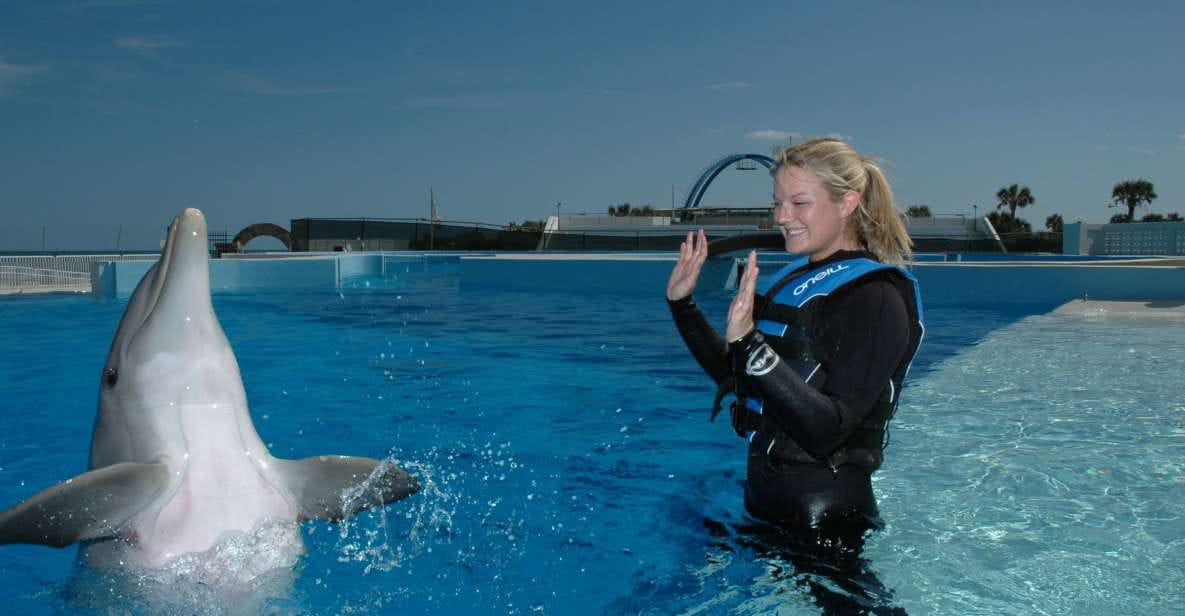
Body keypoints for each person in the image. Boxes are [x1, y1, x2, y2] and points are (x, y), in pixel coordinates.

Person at [666, 138, 922, 613]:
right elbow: (740, 378)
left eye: (799, 202)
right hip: (767, 504)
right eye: (777, 203)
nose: (782, 216)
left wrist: (748, 342)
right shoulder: (798, 280)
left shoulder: (875, 297)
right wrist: (684, 307)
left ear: (847, 203)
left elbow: (828, 427)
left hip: (823, 516)